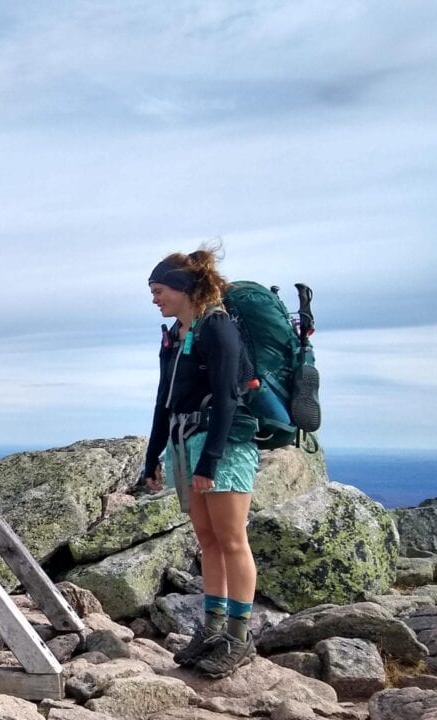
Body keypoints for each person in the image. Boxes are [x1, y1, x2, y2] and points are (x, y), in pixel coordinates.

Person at [141, 244, 261, 679]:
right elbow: (164, 401)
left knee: (231, 540)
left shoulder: (218, 327)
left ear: (182, 288)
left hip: (223, 445)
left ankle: (239, 636)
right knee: (208, 541)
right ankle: (211, 630)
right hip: (184, 441)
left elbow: (229, 398)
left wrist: (209, 462)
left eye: (158, 290)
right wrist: (151, 457)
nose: (154, 299)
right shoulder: (175, 335)